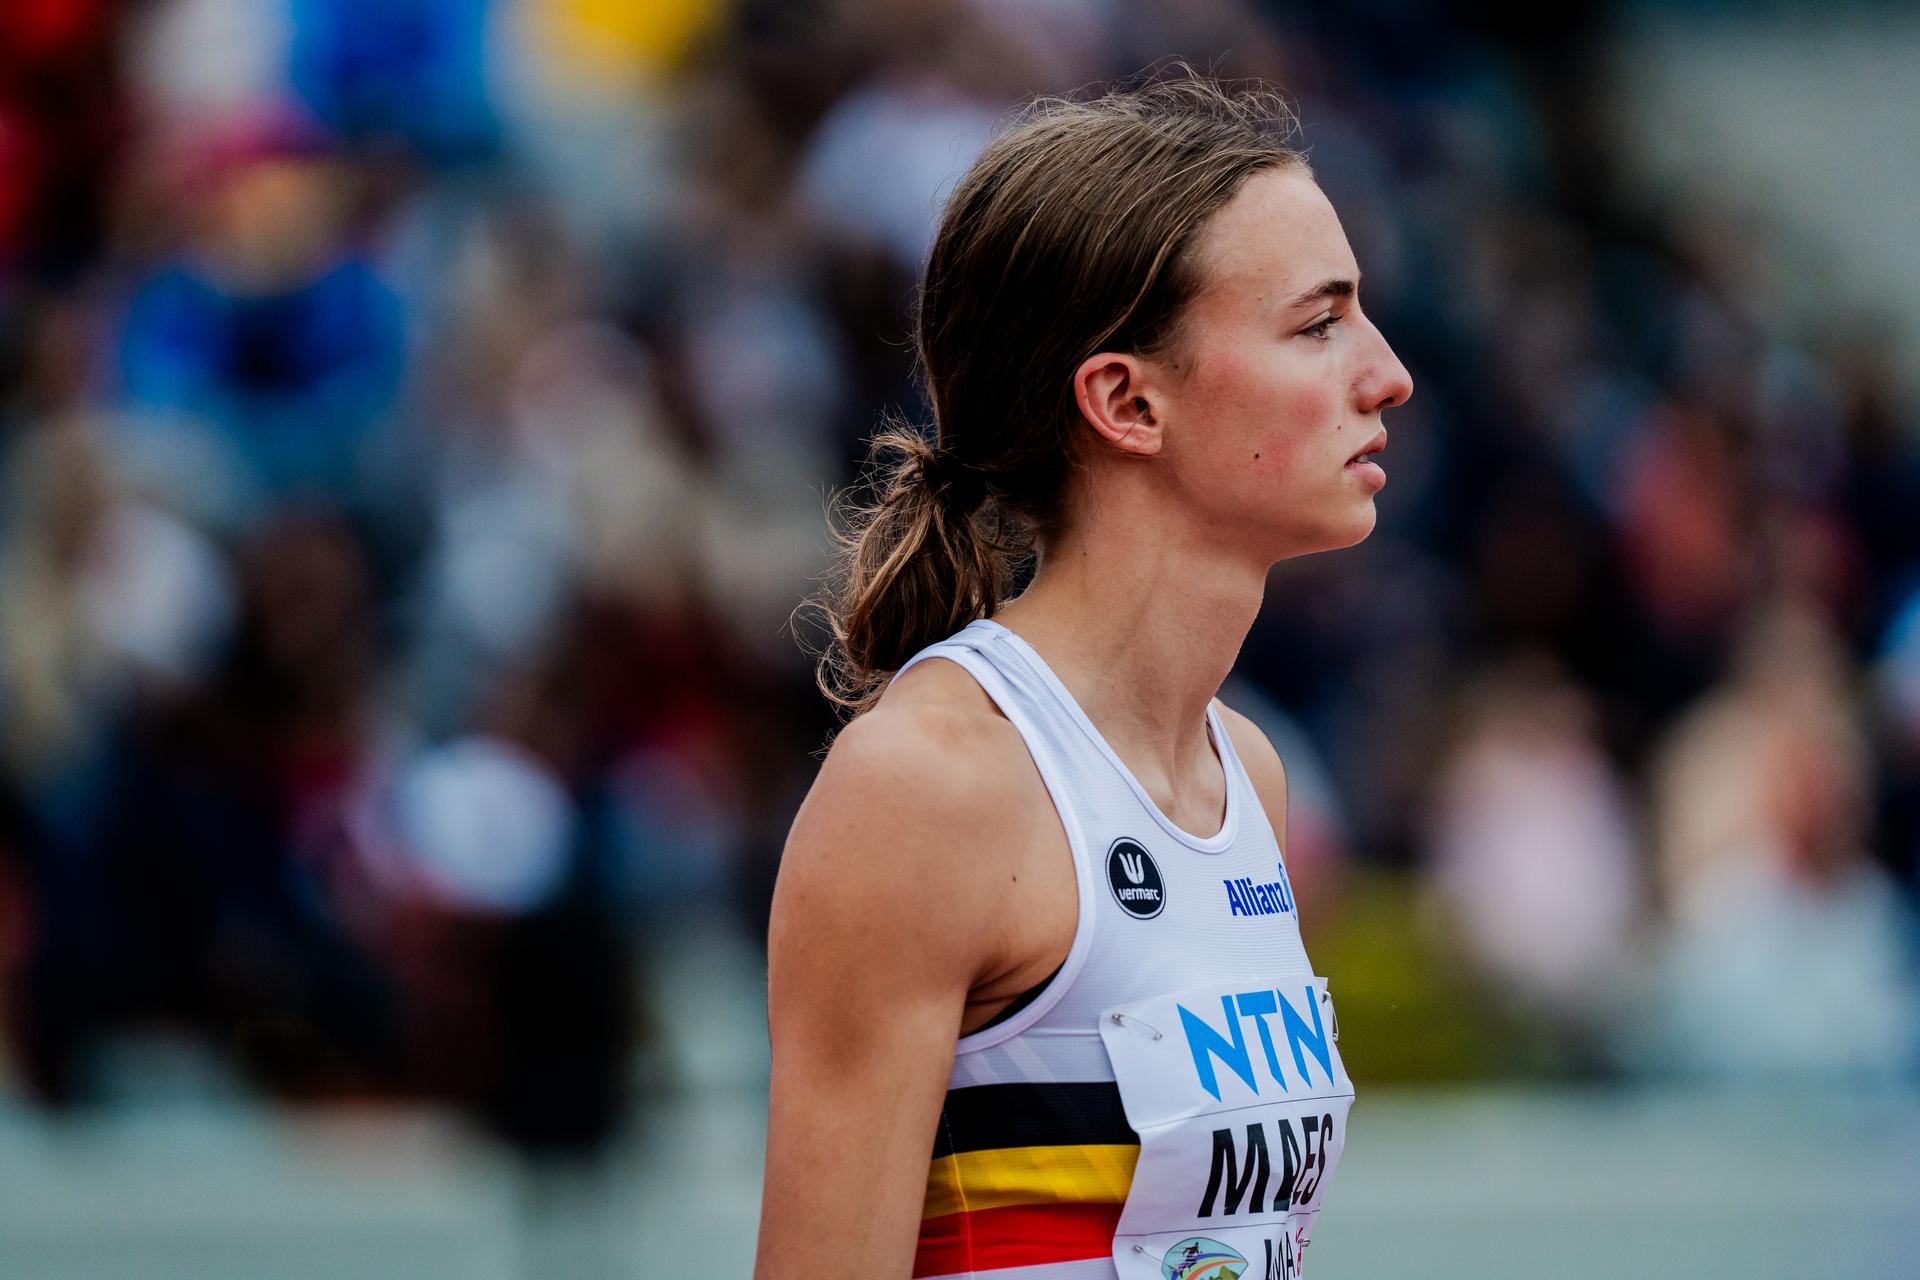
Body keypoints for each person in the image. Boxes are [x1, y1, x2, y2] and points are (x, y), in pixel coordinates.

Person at [757, 74, 1413, 1280]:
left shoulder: (1246, 774)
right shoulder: (927, 784)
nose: (1388, 374)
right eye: (1318, 323)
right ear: (1124, 398)